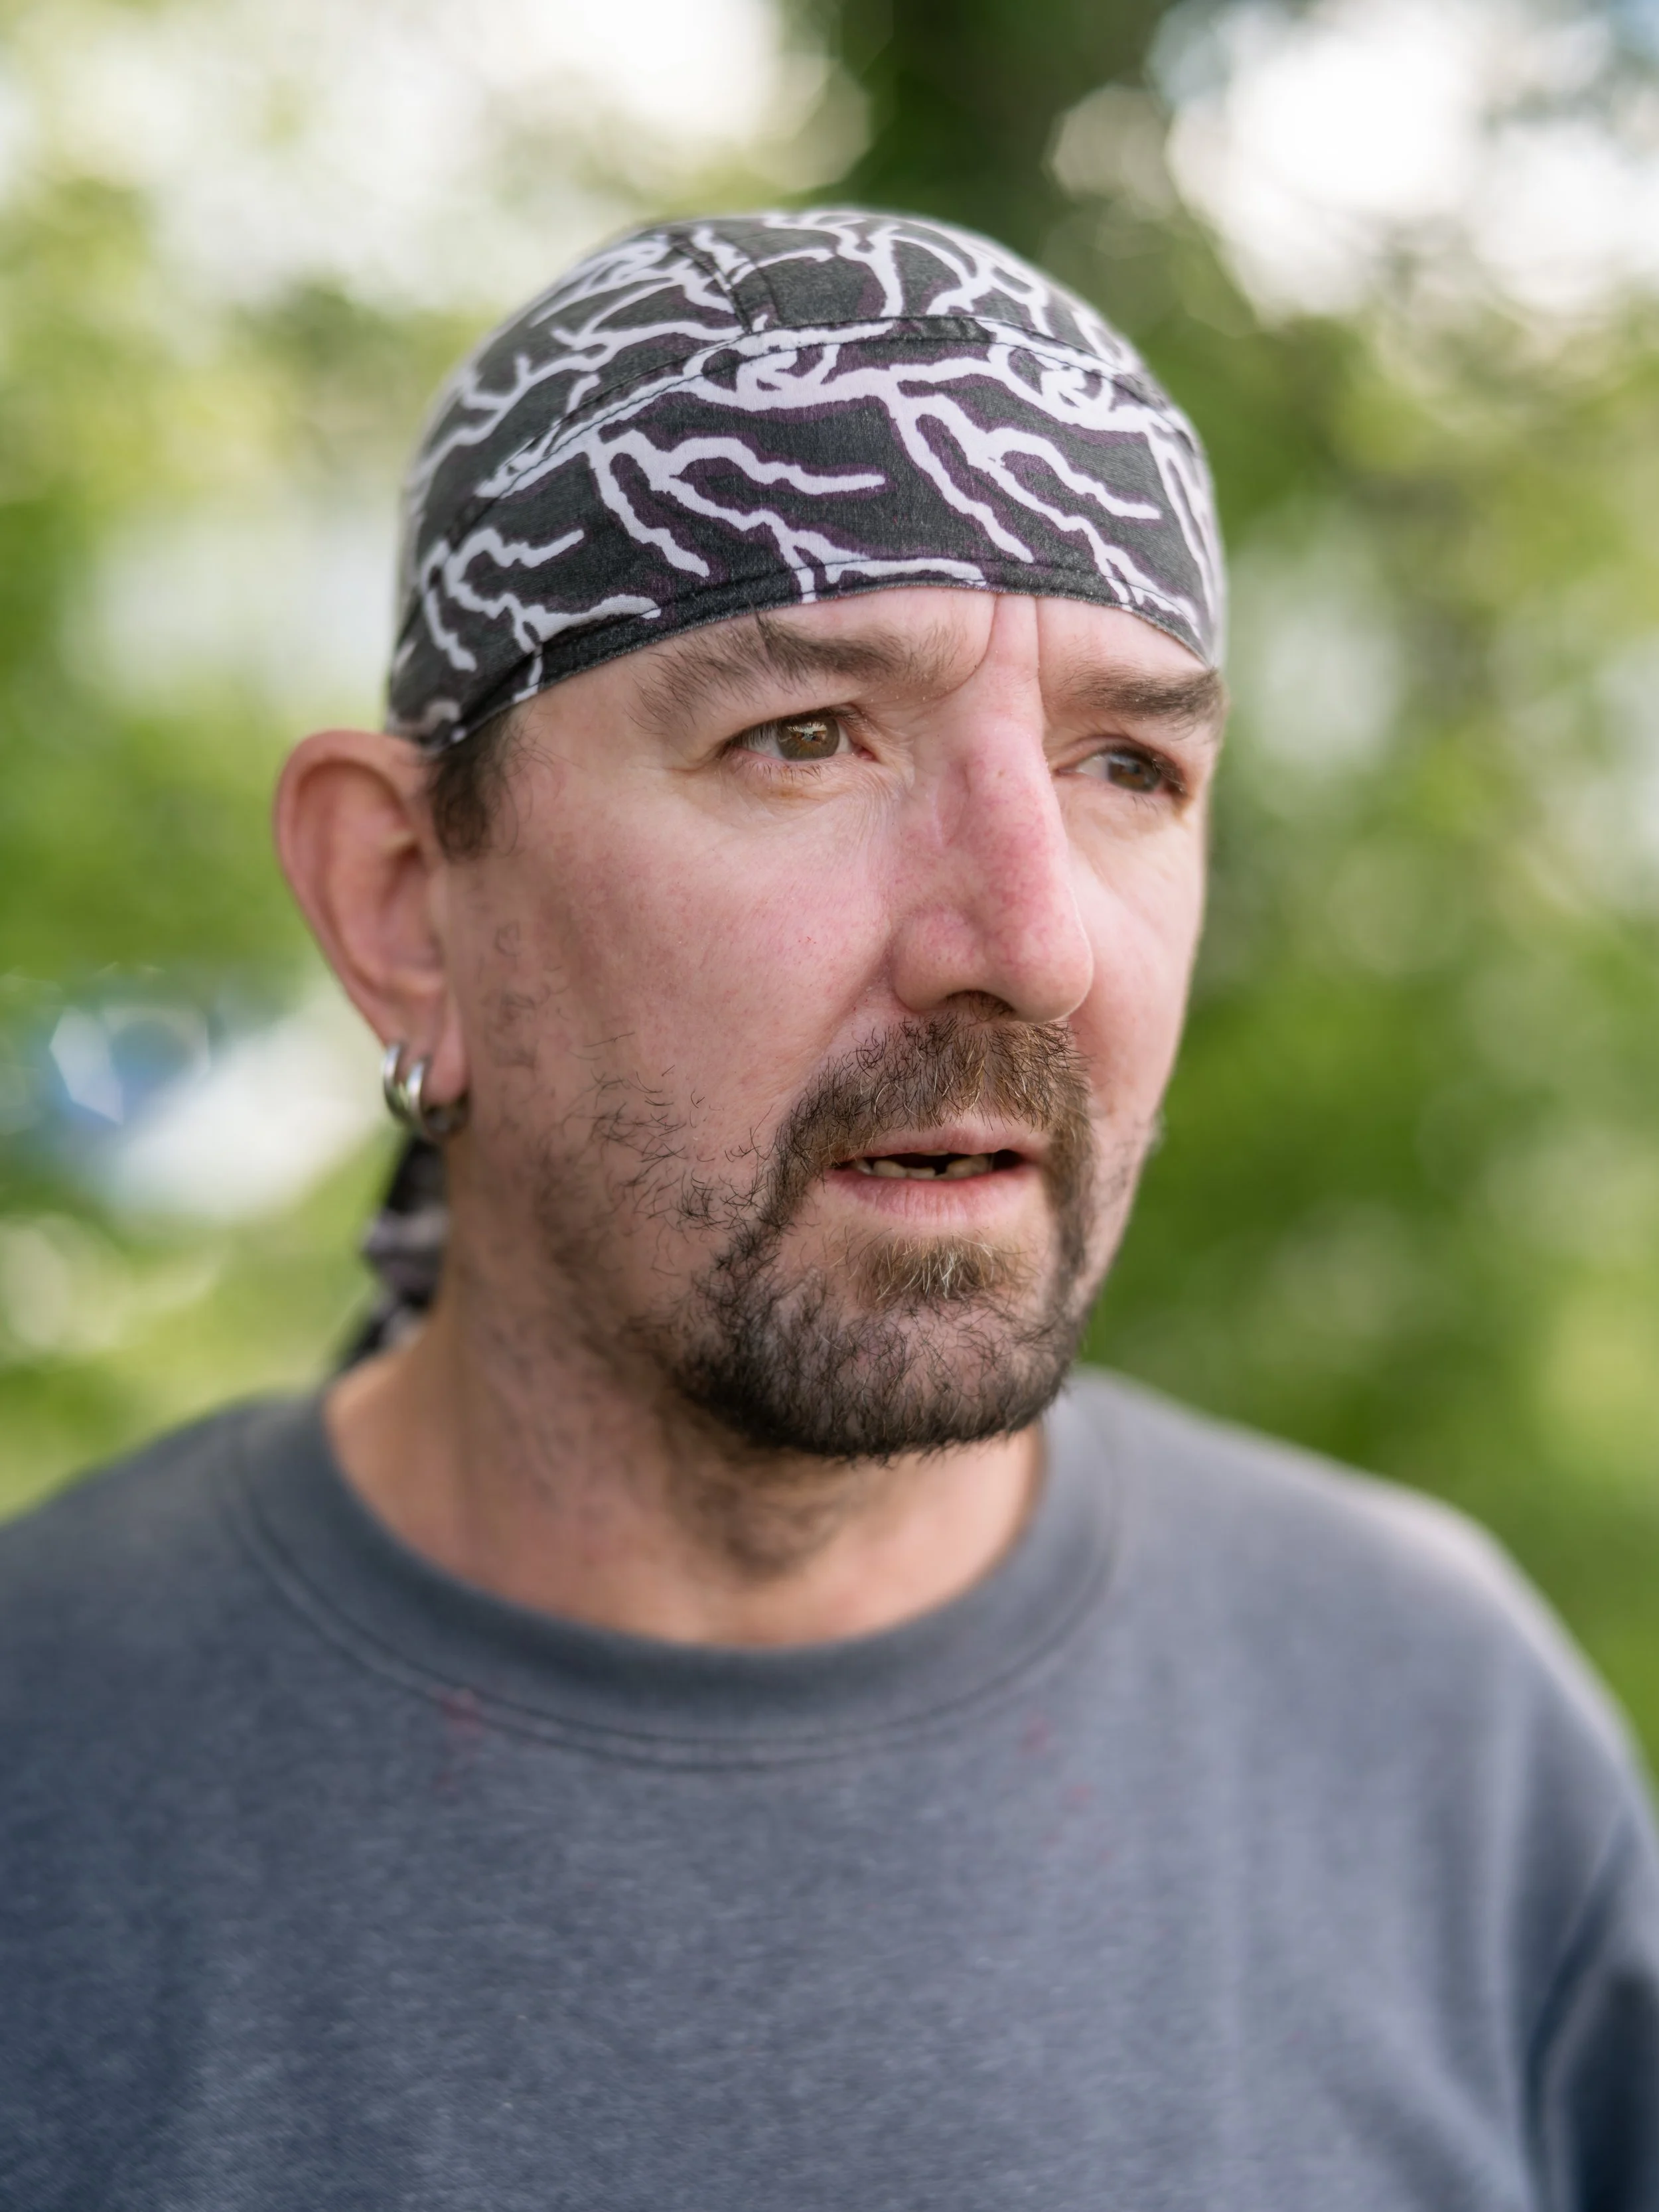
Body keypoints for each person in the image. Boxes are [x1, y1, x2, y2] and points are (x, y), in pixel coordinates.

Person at [2, 209, 1654, 2209]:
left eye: (1126, 762)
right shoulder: (47, 1777)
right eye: (805, 738)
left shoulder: (1441, 1740)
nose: (1030, 940)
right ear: (405, 903)